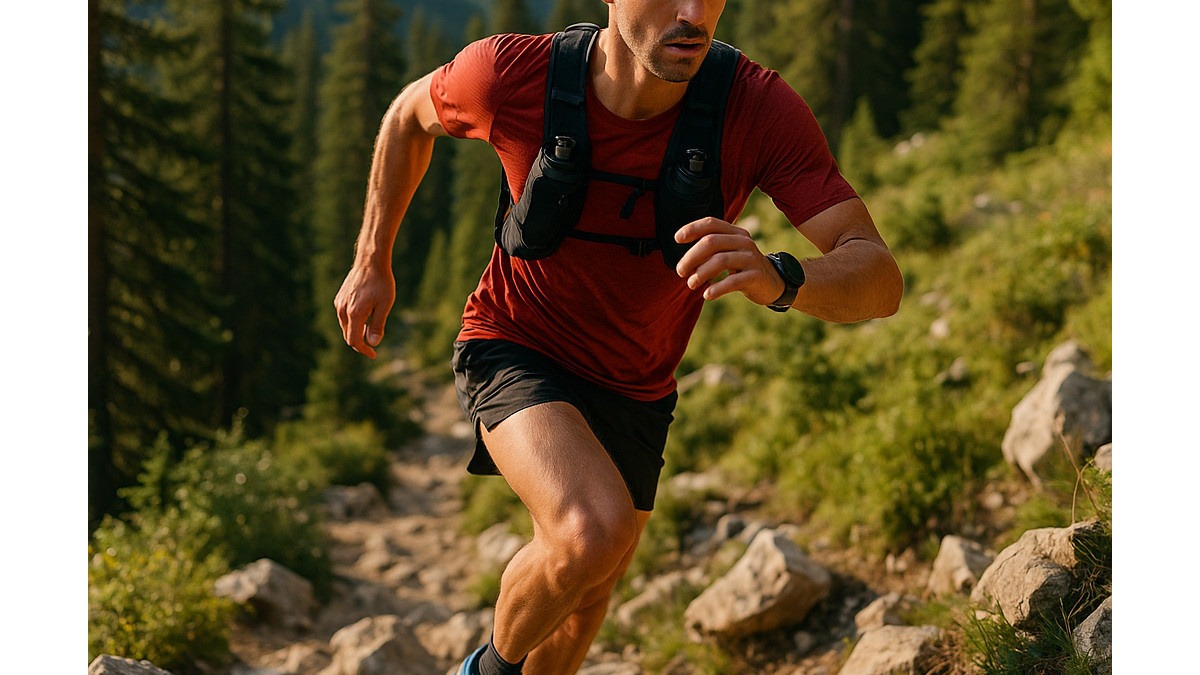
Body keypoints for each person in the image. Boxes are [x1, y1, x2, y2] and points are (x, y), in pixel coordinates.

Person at [334, 0, 903, 673]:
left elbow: (879, 277)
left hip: (637, 385)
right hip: (514, 342)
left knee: (585, 600)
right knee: (589, 531)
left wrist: (782, 276)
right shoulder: (513, 76)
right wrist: (372, 258)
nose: (693, 14)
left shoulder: (754, 107)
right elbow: (408, 115)